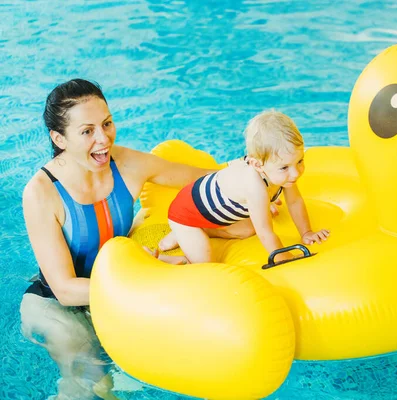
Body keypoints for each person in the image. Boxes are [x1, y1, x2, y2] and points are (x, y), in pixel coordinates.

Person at [19, 79, 246, 400]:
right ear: (60, 138)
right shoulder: (41, 192)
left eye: (107, 123)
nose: (103, 138)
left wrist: (252, 183)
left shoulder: (126, 164)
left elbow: (201, 180)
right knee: (90, 386)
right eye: (87, 131)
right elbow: (65, 289)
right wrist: (145, 282)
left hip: (119, 291)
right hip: (57, 306)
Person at [156, 110, 330, 265]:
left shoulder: (281, 172)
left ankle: (197, 231)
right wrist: (284, 258)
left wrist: (306, 233)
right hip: (185, 213)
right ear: (257, 164)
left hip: (210, 213)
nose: (295, 173)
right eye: (285, 167)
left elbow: (294, 202)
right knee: (206, 265)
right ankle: (171, 247)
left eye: (300, 161)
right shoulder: (254, 186)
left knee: (248, 230)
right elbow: (265, 232)